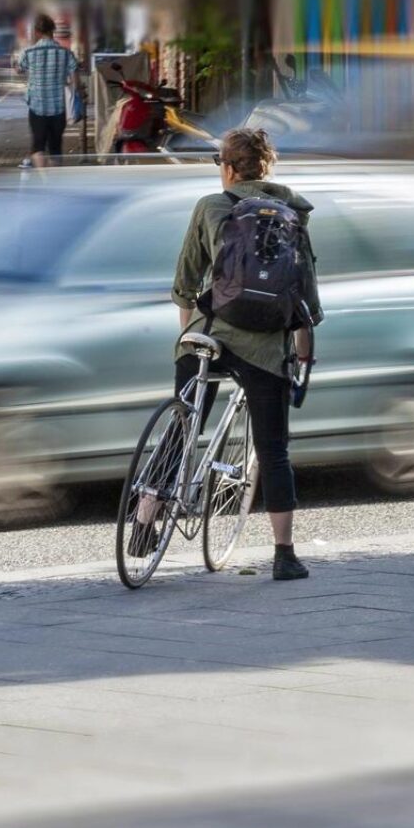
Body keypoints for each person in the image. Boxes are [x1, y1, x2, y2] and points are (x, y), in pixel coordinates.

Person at [170, 129, 322, 580]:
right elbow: (304, 293)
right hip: (266, 349)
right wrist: (302, 355)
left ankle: (142, 523)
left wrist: (192, 338)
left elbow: (185, 283)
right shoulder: (294, 211)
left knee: (181, 425)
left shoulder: (211, 206)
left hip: (210, 337)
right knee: (273, 450)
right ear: (266, 168)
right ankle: (285, 555)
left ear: (229, 168)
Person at [16, 13, 78, 170]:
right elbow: (75, 81)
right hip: (58, 108)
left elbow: (19, 69)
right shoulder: (66, 53)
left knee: (38, 147)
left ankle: (42, 180)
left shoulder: (28, 53)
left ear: (37, 32)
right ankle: (54, 181)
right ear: (53, 31)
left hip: (37, 108)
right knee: (56, 149)